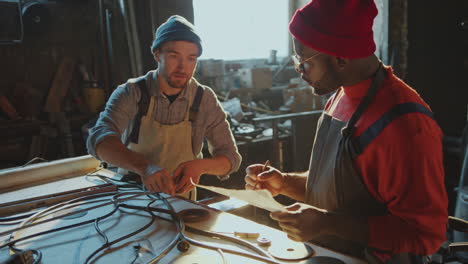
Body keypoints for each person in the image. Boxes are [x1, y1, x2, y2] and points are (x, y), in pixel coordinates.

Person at [245, 0, 448, 263]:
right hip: (328, 253)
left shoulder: (404, 126)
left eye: (304, 62)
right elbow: (336, 187)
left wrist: (328, 224)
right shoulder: (339, 96)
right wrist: (283, 182)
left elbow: (425, 235)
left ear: (340, 58)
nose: (300, 72)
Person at [87, 15, 241, 199]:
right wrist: (145, 167)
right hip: (132, 197)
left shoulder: (204, 98)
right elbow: (99, 141)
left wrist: (199, 166)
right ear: (157, 55)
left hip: (181, 199)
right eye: (174, 56)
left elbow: (231, 158)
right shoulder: (132, 92)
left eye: (191, 58)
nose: (183, 67)